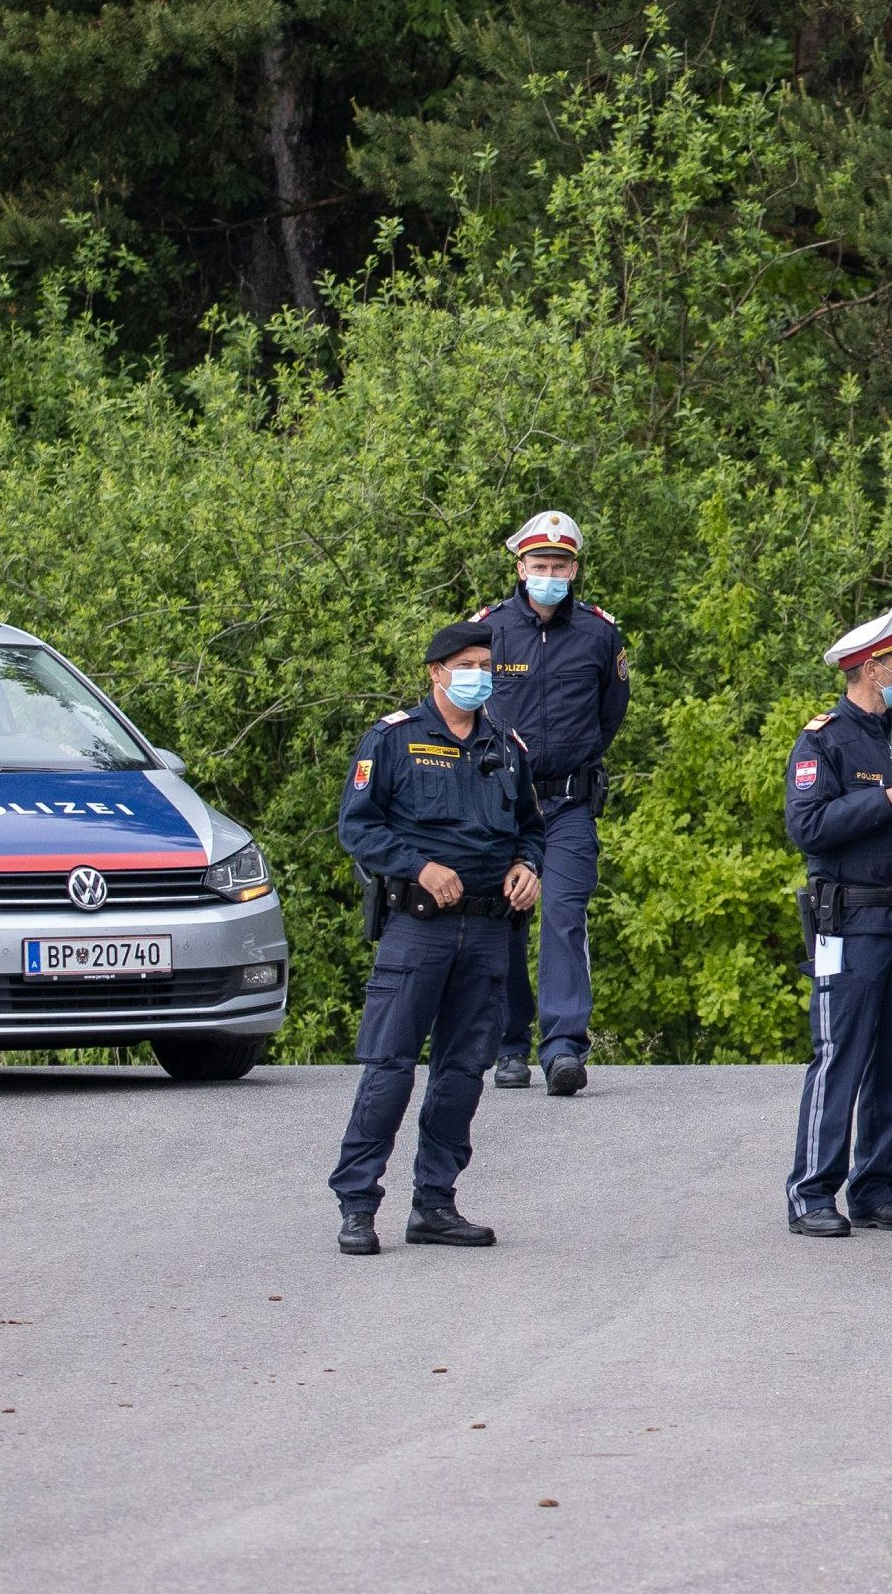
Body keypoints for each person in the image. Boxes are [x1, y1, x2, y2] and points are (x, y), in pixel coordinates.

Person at [327, 621, 544, 1256]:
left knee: (462, 1072)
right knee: (390, 1066)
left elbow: (532, 828)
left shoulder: (507, 746)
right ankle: (358, 1203)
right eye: (467, 664)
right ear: (437, 672)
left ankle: (435, 1204)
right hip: (417, 928)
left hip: (487, 930)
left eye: (487, 663)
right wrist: (418, 866)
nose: (480, 674)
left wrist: (528, 867)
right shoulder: (392, 740)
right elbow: (357, 829)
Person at [782, 608, 892, 1238]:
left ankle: (874, 1187)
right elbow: (808, 827)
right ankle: (812, 1191)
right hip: (852, 924)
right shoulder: (824, 740)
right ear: (872, 669)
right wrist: (883, 799)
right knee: (840, 1055)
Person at [475, 509, 632, 1097]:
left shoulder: (599, 634)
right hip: (502, 806)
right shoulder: (490, 632)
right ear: (520, 567)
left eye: (560, 565)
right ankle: (510, 1045)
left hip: (567, 804)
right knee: (504, 920)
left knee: (564, 915)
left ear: (574, 570)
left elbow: (609, 714)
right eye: (539, 564)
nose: (549, 573)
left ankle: (564, 1047)